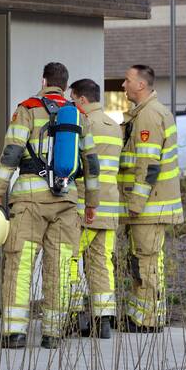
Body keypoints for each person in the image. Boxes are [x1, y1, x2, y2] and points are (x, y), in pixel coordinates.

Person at [0, 62, 101, 349]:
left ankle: (14, 333)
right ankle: (53, 334)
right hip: (67, 201)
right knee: (61, 267)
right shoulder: (78, 115)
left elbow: (12, 151)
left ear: (43, 80)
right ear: (65, 86)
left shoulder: (27, 108)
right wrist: (92, 202)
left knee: (20, 264)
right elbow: (91, 163)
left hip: (29, 201)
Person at [117, 65, 183, 332]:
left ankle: (147, 320)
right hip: (149, 206)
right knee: (143, 260)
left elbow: (148, 166)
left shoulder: (149, 116)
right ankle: (140, 316)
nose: (123, 85)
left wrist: (134, 204)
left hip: (148, 207)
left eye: (127, 80)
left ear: (141, 85)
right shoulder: (145, 114)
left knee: (146, 261)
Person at [67, 78, 124, 339]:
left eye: (72, 100)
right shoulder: (115, 126)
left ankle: (73, 316)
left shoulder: (82, 124)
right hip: (110, 208)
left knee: (71, 259)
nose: (71, 105)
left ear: (82, 100)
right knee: (101, 263)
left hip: (84, 206)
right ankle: (103, 321)